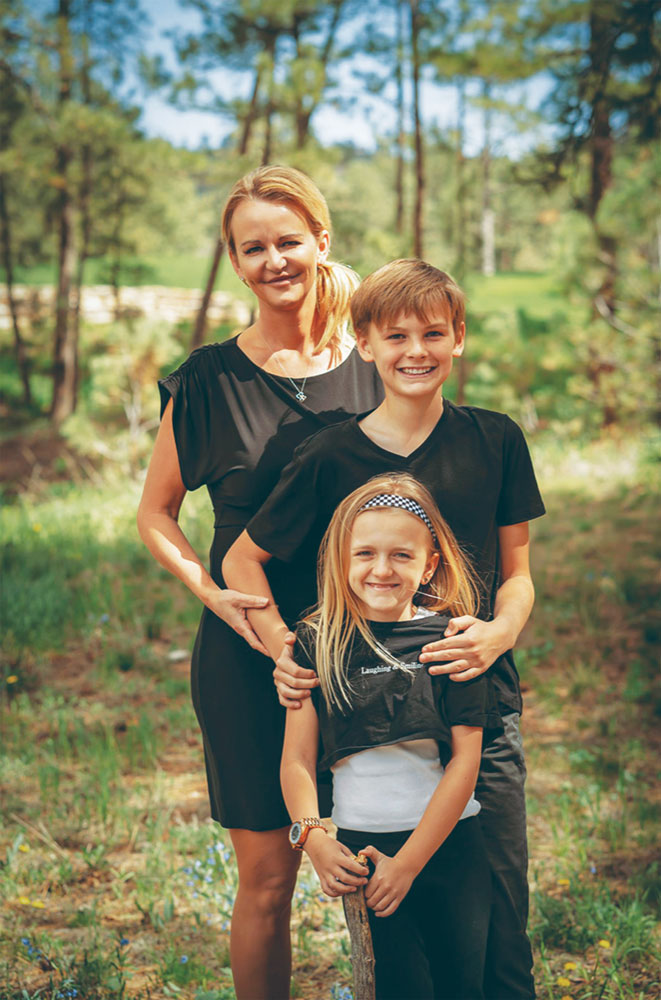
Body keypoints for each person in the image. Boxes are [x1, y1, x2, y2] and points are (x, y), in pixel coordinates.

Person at [222, 258, 546, 999]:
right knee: (395, 949)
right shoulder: (330, 453)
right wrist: (286, 653)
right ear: (362, 342)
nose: (415, 351)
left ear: (458, 339)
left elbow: (518, 572)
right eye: (394, 335)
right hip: (370, 729)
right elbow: (245, 560)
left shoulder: (494, 439)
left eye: (433, 333)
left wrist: (498, 633)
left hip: (475, 708)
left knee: (496, 931)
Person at [136, 165, 383, 1000]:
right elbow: (157, 513)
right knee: (269, 882)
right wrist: (212, 594)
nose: (273, 259)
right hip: (248, 656)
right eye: (253, 248)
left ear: (321, 241)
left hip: (374, 647)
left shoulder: (380, 363)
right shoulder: (206, 380)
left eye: (287, 240)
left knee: (390, 867)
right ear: (234, 261)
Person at [280, 474, 503, 999]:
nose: (381, 570)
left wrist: (409, 865)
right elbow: (297, 759)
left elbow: (465, 762)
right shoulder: (318, 643)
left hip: (449, 850)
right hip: (364, 857)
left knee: (460, 987)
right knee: (395, 988)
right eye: (365, 554)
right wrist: (312, 836)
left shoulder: (452, 640)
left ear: (429, 564)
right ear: (341, 559)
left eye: (402, 555)